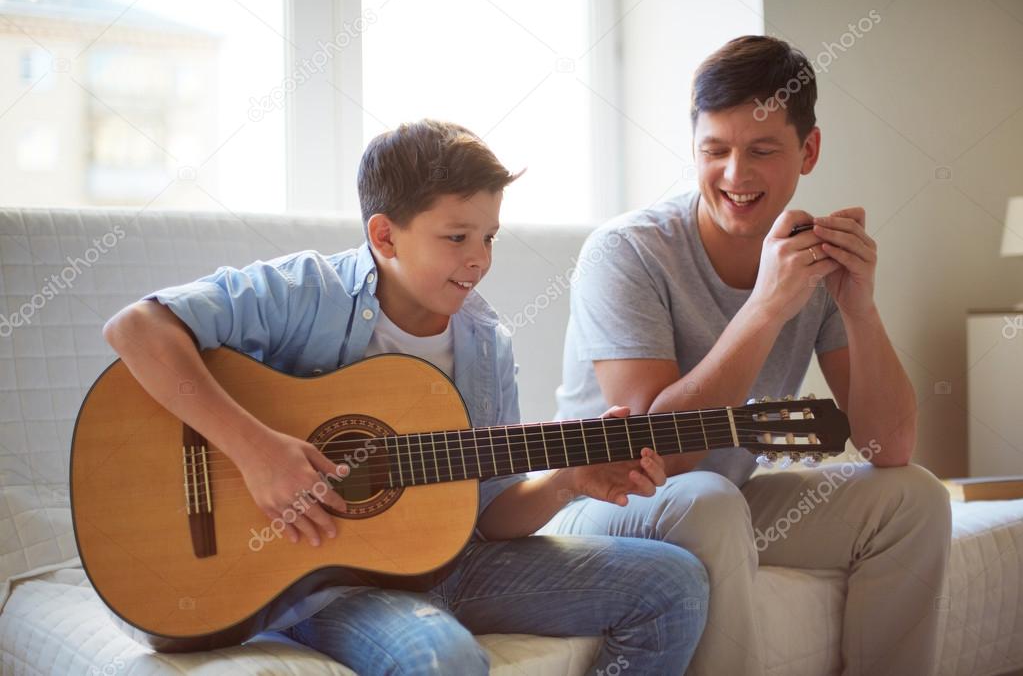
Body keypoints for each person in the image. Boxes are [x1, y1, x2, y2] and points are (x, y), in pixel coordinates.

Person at [102, 118, 710, 675]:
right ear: (385, 236)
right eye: (457, 237)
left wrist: (565, 481)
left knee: (674, 582)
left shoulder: (485, 344)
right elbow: (137, 328)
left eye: (490, 238)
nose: (479, 261)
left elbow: (489, 515)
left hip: (453, 566)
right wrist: (256, 452)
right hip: (316, 577)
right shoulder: (305, 290)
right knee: (440, 659)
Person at [539, 36, 951, 676]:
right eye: (715, 151)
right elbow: (655, 454)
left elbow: (887, 448)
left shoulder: (811, 259)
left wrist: (860, 309)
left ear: (808, 151)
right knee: (707, 498)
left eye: (761, 150)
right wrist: (765, 308)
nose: (735, 175)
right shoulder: (626, 253)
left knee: (915, 497)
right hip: (605, 506)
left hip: (723, 503)